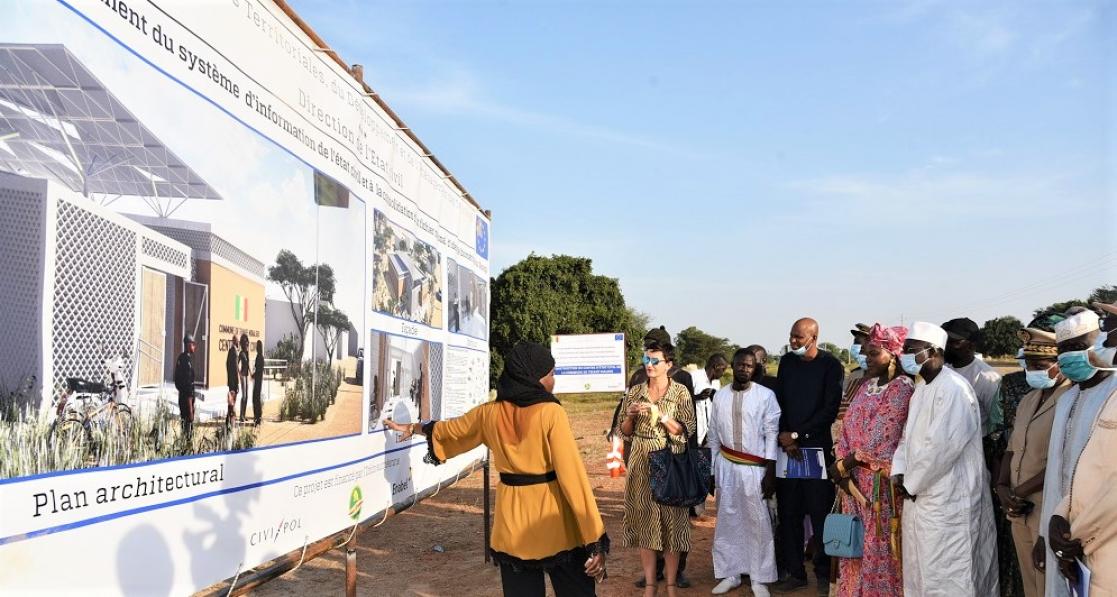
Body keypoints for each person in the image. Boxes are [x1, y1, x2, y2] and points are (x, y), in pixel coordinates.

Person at [384, 342, 607, 597]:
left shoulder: (489, 414)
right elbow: (573, 477)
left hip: (512, 526)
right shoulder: (551, 413)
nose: (553, 382)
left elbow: (449, 430)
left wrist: (414, 428)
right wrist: (594, 538)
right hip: (555, 523)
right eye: (551, 375)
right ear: (534, 377)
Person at [890, 321, 999, 596]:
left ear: (934, 351)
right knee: (922, 572)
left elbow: (941, 448)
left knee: (952, 574)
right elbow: (907, 438)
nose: (904, 355)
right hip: (921, 497)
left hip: (949, 498)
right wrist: (899, 471)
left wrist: (911, 483)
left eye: (911, 349)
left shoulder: (953, 389)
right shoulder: (922, 389)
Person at [830, 324, 914, 597]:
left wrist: (843, 466)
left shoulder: (902, 388)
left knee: (879, 549)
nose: (866, 358)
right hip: (852, 482)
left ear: (893, 355)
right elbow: (847, 429)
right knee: (854, 546)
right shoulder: (865, 386)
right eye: (866, 353)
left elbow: (882, 436)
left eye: (874, 353)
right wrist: (842, 465)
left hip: (879, 486)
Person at [1038, 307, 1117, 597]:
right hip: (1061, 530)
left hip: (1097, 538)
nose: (1069, 355)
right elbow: (1056, 477)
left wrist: (1076, 537)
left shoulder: (1113, 391)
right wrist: (1046, 536)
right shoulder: (1065, 399)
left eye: (1078, 347)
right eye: (1063, 349)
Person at [614, 326, 695, 589]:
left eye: (654, 360)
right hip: (640, 460)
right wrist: (631, 416)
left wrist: (659, 415)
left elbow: (687, 429)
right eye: (646, 359)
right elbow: (623, 431)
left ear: (668, 364)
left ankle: (671, 582)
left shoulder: (681, 390)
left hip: (670, 460)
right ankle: (650, 583)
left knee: (671, 520)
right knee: (646, 521)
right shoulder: (636, 389)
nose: (649, 364)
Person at [995, 327, 1072, 597]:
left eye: (1040, 366)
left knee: (1049, 583)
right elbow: (1012, 448)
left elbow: (1061, 460)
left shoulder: (1070, 399)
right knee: (1030, 581)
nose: (1032, 372)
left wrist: (1019, 491)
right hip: (1017, 507)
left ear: (1058, 365)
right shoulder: (1029, 399)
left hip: (1046, 505)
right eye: (1029, 365)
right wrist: (1002, 486)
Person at [771, 318, 844, 596]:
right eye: (791, 336)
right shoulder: (787, 363)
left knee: (819, 513)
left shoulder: (831, 365)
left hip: (815, 450)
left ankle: (823, 574)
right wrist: (784, 435)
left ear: (814, 337)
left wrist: (797, 436)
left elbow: (829, 409)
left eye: (799, 338)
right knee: (789, 513)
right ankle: (795, 573)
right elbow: (778, 402)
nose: (793, 342)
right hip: (788, 451)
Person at [708, 348, 780, 596]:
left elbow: (772, 434)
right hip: (726, 466)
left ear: (755, 368)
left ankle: (759, 578)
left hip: (755, 470)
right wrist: (711, 470)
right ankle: (731, 573)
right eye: (740, 365)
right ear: (733, 365)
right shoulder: (720, 396)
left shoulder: (766, 396)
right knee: (728, 520)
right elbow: (714, 434)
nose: (744, 369)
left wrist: (770, 471)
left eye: (749, 366)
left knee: (757, 522)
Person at [941, 317, 1004, 439]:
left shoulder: (988, 378)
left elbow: (997, 422)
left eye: (954, 342)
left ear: (971, 346)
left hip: (975, 446)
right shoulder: (943, 369)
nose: (946, 347)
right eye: (945, 341)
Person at [832, 323, 871, 448]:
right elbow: (844, 410)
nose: (856, 347)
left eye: (859, 343)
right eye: (855, 343)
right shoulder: (855, 375)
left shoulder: (891, 380)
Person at [689, 353, 728, 446]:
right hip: (695, 432)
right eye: (723, 369)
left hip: (709, 433)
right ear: (716, 366)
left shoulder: (716, 383)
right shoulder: (694, 377)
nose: (723, 373)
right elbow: (681, 400)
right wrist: (697, 397)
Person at [174, 333, 197, 439]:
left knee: (184, 427)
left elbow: (177, 382)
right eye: (193, 344)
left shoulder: (182, 358)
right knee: (188, 429)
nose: (194, 346)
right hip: (187, 401)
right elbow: (187, 386)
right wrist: (190, 409)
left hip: (182, 398)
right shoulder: (186, 361)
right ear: (188, 345)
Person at [225, 334, 239, 426]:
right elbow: (235, 368)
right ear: (236, 341)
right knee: (232, 402)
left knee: (231, 402)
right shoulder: (234, 352)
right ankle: (231, 421)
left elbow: (227, 364)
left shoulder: (231, 351)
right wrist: (237, 383)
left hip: (231, 380)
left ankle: (229, 420)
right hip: (233, 381)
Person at [238, 333, 250, 423]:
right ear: (242, 344)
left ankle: (244, 415)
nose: (247, 344)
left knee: (247, 396)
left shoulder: (246, 352)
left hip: (247, 376)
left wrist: (251, 372)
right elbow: (236, 364)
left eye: (247, 343)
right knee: (244, 396)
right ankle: (241, 416)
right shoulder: (241, 353)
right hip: (243, 376)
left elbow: (248, 364)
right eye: (245, 343)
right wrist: (239, 373)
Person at [252, 339, 265, 426]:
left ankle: (257, 418)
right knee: (256, 398)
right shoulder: (260, 356)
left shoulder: (259, 357)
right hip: (258, 379)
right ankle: (258, 417)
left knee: (255, 398)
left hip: (258, 380)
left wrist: (254, 375)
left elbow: (259, 370)